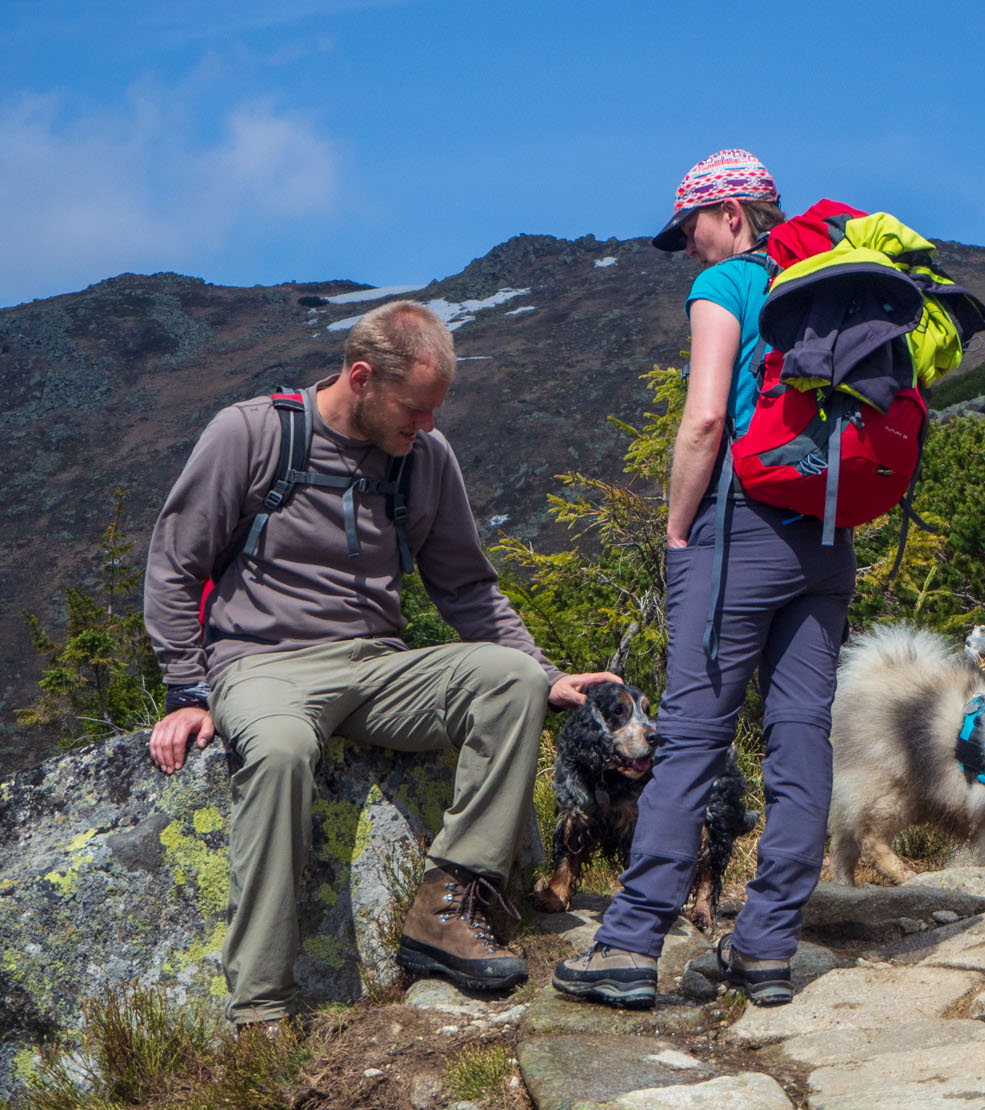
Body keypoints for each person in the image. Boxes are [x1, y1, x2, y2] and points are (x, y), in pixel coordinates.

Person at [143, 300, 616, 1025]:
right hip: (264, 665)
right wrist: (185, 688)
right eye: (413, 409)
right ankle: (262, 1010)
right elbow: (176, 563)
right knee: (276, 751)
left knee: (511, 682)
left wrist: (544, 672)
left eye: (434, 412)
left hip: (378, 666)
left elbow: (465, 586)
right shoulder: (252, 433)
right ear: (360, 377)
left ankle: (447, 908)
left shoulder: (426, 459)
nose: (425, 427)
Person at [554, 149, 857, 1009]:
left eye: (690, 226)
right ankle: (766, 948)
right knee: (800, 738)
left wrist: (680, 527)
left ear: (731, 213)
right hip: (829, 537)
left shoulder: (727, 287)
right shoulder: (832, 282)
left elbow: (706, 417)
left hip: (741, 533)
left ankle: (627, 943)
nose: (687, 245)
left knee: (688, 735)